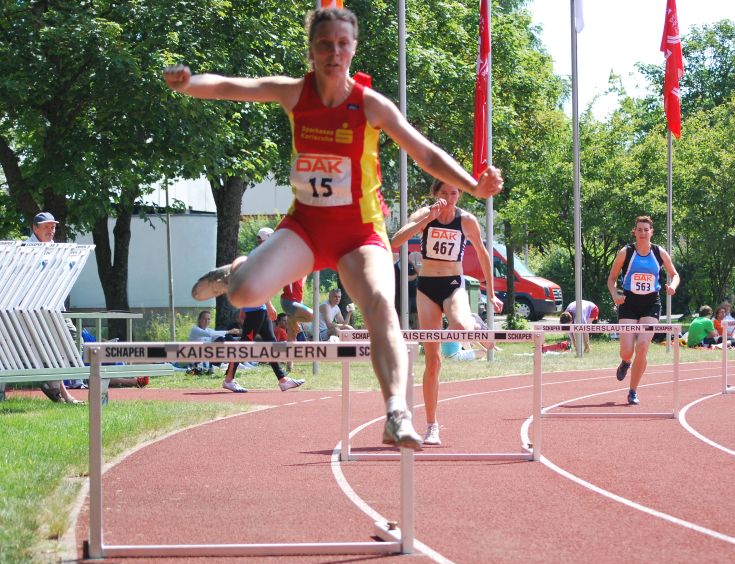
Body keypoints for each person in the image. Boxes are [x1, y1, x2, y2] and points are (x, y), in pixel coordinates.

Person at [165, 6, 504, 448]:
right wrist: (189, 83)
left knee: (380, 304)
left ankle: (396, 413)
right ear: (311, 50)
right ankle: (238, 270)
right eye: (325, 44)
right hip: (305, 228)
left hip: (359, 234)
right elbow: (233, 87)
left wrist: (472, 185)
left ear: (353, 49)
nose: (334, 52)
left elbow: (426, 153)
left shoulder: (370, 104)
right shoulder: (294, 92)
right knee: (243, 294)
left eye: (343, 44)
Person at [389, 180, 503, 445]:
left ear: (459, 195)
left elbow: (483, 254)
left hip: (453, 284)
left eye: (454, 193)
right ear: (435, 194)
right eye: (443, 193)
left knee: (460, 326)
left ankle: (471, 323)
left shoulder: (467, 220)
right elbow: (396, 240)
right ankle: (432, 426)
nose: (449, 198)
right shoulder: (426, 213)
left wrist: (491, 292)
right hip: (427, 287)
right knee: (433, 361)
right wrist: (426, 220)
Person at [219, 230, 305, 394]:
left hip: (257, 308)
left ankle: (283, 380)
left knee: (270, 342)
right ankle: (229, 379)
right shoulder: (262, 257)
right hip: (257, 308)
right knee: (245, 343)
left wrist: (244, 307)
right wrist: (269, 305)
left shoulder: (256, 255)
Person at [606, 215, 680, 405]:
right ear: (635, 232)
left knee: (643, 346)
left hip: (651, 304)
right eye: (639, 229)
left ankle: (633, 390)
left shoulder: (659, 252)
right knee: (627, 351)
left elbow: (674, 274)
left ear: (651, 232)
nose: (643, 233)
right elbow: (612, 279)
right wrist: (615, 294)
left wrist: (673, 286)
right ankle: (626, 362)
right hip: (628, 303)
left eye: (646, 230)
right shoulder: (626, 252)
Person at [27, 212, 84, 405]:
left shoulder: (56, 249)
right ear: (35, 228)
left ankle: (52, 385)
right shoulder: (27, 249)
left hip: (56, 306)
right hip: (33, 309)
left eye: (53, 227)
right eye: (46, 226)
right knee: (52, 347)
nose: (51, 230)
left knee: (74, 340)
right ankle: (61, 392)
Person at [188, 310, 241, 374]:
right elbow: (211, 334)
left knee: (225, 338)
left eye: (208, 319)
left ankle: (236, 361)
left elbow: (221, 336)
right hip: (197, 358)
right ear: (199, 320)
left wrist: (240, 338)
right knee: (222, 339)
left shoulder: (209, 330)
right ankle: (227, 362)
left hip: (207, 356)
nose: (206, 321)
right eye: (204, 319)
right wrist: (229, 331)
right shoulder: (195, 330)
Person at [280, 272, 314, 341]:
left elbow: (300, 286)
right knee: (312, 315)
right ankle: (292, 318)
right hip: (289, 301)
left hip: (297, 302)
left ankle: (290, 347)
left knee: (293, 334)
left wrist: (301, 302)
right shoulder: (292, 269)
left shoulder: (303, 273)